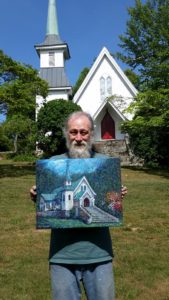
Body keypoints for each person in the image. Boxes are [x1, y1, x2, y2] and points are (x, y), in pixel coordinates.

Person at [30, 111, 127, 300]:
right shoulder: (53, 164)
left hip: (99, 254)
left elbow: (111, 204)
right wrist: (37, 194)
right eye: (73, 132)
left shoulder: (105, 164)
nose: (79, 138)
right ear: (66, 133)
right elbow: (48, 200)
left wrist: (116, 196)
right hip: (62, 255)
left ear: (91, 134)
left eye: (84, 132)